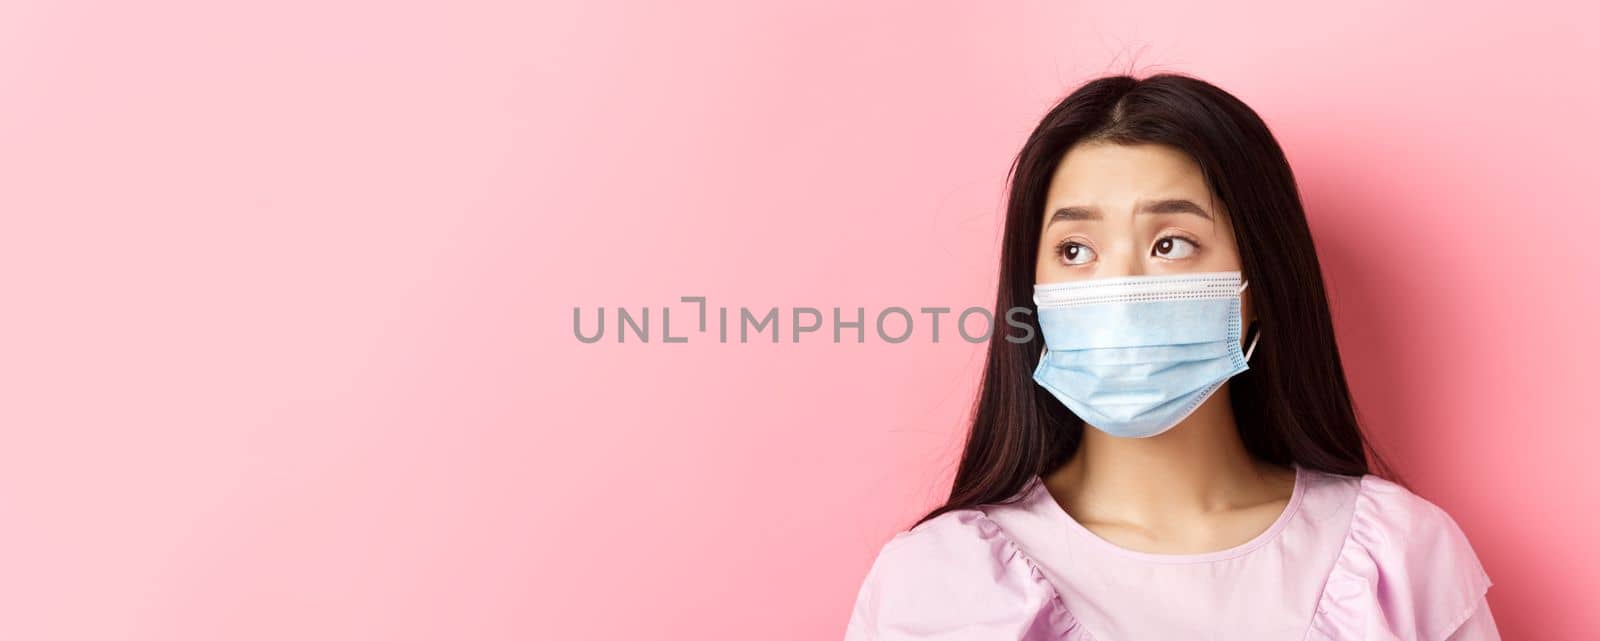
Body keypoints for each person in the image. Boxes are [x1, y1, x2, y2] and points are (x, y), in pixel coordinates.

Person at [843, 74, 1499, 641]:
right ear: (1031, 297)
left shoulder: (1401, 558)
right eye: (1076, 250)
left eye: (1172, 243)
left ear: (1260, 283)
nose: (1120, 291)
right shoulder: (933, 582)